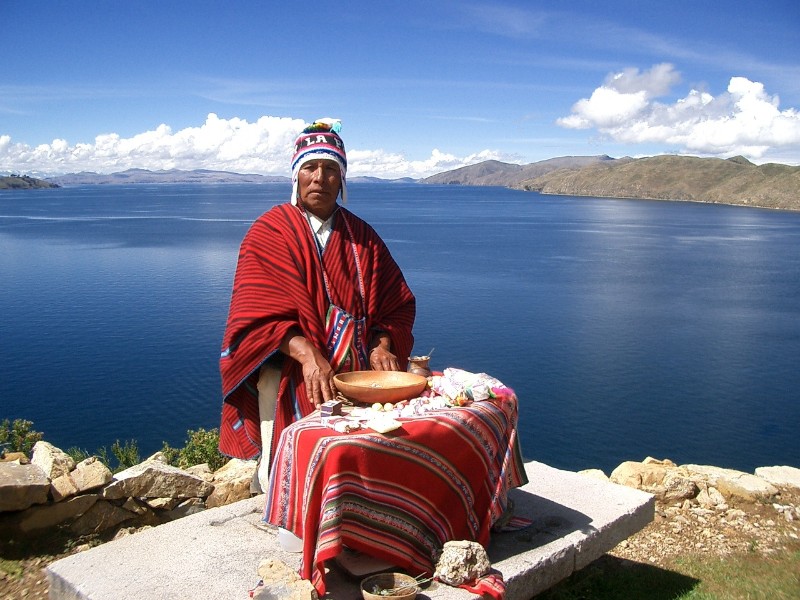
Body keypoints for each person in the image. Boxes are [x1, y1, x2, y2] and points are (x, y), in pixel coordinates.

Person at [218, 118, 416, 491]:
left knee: (355, 466)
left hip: (357, 382)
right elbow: (254, 316)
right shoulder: (269, 232)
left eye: (330, 169)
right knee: (292, 471)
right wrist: (307, 355)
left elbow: (396, 304)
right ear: (296, 175)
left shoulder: (363, 237)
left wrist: (382, 344)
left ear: (342, 180)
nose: (319, 178)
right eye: (310, 167)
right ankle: (290, 520)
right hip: (290, 377)